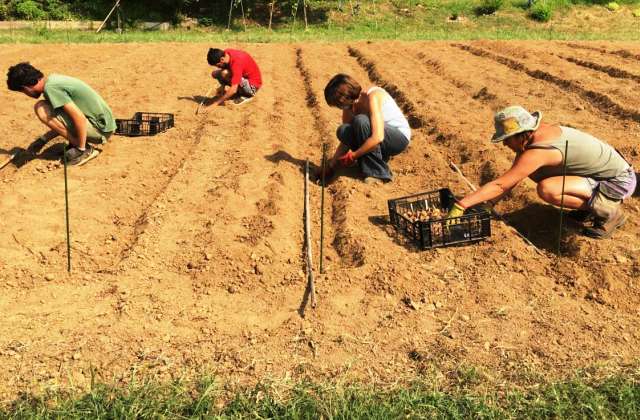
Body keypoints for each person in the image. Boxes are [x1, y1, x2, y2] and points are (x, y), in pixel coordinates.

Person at [446, 105, 636, 239]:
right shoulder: (537, 136)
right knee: (536, 174)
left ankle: (609, 212)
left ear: (520, 134)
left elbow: (501, 184)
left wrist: (462, 205)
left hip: (617, 181)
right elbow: (513, 178)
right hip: (601, 175)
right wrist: (489, 204)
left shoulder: (538, 151)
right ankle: (589, 207)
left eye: (506, 138)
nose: (504, 143)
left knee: (547, 189)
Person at [6, 62, 115, 166]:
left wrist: (80, 149)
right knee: (47, 106)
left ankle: (85, 150)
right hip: (103, 126)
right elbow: (62, 118)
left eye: (22, 92)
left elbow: (79, 118)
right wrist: (43, 139)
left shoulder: (51, 88)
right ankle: (79, 144)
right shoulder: (53, 80)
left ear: (26, 88)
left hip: (99, 130)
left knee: (41, 107)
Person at [322, 74, 410, 184]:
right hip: (380, 138)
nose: (340, 107)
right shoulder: (349, 108)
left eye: (339, 104)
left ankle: (378, 173)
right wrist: (332, 165)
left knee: (361, 121)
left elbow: (378, 137)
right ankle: (373, 160)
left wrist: (354, 155)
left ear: (346, 96)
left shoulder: (372, 96)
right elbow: (347, 140)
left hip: (398, 138)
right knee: (344, 130)